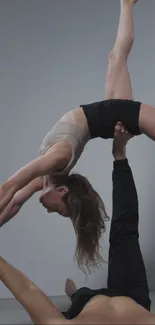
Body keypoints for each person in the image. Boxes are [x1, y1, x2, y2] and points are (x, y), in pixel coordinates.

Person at [0, 0, 152, 270]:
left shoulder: (48, 174)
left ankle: (126, 3)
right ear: (61, 190)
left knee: (117, 57)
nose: (51, 211)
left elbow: (12, 196)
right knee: (117, 57)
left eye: (60, 211)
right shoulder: (56, 164)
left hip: (107, 117)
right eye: (60, 210)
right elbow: (11, 195)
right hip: (110, 115)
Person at [0, 122, 154, 325]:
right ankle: (120, 156)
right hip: (133, 296)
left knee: (79, 294)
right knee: (124, 230)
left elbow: (27, 290)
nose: (49, 211)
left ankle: (72, 291)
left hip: (88, 302)